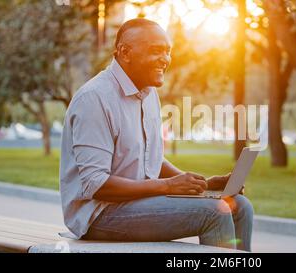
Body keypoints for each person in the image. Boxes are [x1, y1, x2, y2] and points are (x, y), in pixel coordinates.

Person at [59, 18, 254, 251]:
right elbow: (96, 185)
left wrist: (203, 185)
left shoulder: (148, 94)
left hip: (137, 203)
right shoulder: (94, 99)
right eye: (156, 51)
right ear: (125, 52)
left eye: (167, 51)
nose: (165, 59)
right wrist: (167, 186)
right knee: (214, 212)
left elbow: (148, 158)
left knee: (239, 205)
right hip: (99, 214)